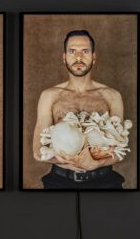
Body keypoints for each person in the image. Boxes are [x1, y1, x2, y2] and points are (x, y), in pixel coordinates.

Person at [32, 30, 128, 189]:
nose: (78, 57)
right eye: (72, 51)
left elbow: (120, 150)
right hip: (59, 182)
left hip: (105, 182)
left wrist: (95, 164)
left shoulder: (112, 96)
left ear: (93, 57)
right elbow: (38, 152)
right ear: (64, 58)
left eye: (85, 51)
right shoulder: (49, 96)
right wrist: (70, 160)